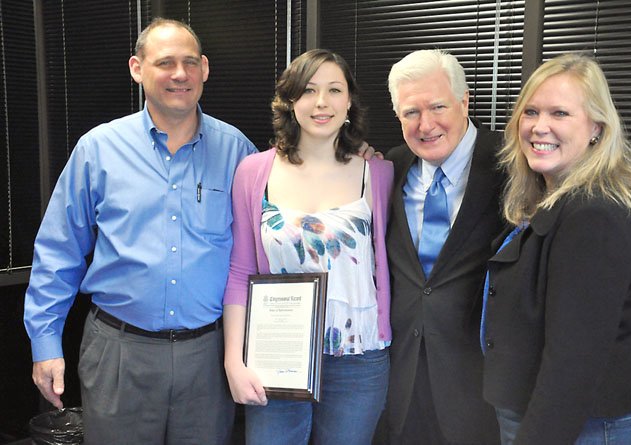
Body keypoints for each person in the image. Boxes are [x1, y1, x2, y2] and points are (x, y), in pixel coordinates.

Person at [376, 49, 631, 445]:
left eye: (438, 106)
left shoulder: (514, 164)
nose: (426, 124)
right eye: (411, 112)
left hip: (501, 394)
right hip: (413, 379)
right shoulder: (390, 168)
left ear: (464, 102)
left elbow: (579, 341)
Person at [23, 18, 256, 444]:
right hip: (118, 353)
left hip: (209, 356)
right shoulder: (98, 149)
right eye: (165, 62)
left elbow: (265, 245)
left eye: (190, 62)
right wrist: (45, 343)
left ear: (204, 68)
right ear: (137, 68)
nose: (180, 74)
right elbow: (59, 250)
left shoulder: (239, 152)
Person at [222, 49, 394, 445]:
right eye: (309, 91)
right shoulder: (253, 172)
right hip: (277, 356)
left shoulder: (379, 173)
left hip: (359, 359)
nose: (322, 102)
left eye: (334, 90)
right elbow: (239, 272)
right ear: (290, 101)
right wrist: (234, 359)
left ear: (349, 101)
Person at [481, 53, 631, 444]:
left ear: (596, 128)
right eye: (531, 112)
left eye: (560, 113)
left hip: (579, 425)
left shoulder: (593, 214)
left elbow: (573, 362)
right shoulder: (552, 196)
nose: (540, 127)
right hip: (539, 411)